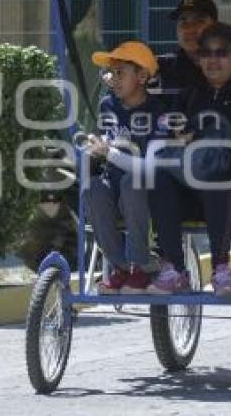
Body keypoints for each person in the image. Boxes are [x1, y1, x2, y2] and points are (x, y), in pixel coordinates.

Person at [147, 22, 231, 296]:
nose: (213, 59)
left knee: (215, 173)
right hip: (192, 185)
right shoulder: (191, 94)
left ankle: (221, 268)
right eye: (207, 53)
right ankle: (174, 268)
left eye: (222, 52)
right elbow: (168, 129)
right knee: (159, 175)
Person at [85, 40, 172, 294]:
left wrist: (108, 151)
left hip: (147, 184)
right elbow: (102, 140)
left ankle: (141, 265)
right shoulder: (107, 105)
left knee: (131, 182)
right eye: (110, 73)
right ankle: (119, 266)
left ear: (142, 76)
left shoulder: (158, 112)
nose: (113, 79)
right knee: (93, 189)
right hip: (113, 179)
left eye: (120, 72)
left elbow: (149, 166)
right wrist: (94, 146)